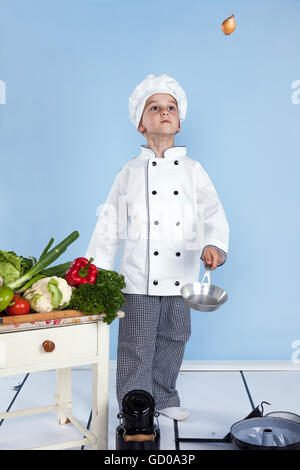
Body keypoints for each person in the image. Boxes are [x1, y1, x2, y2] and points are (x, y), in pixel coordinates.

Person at [85, 74, 229, 421]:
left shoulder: (194, 171)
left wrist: (215, 243)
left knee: (174, 337)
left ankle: (163, 398)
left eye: (171, 107)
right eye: (154, 107)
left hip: (183, 277)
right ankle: (134, 407)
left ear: (179, 121)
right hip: (138, 278)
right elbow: (110, 223)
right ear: (140, 124)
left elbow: (213, 211)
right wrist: (96, 271)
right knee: (136, 345)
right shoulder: (130, 172)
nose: (164, 112)